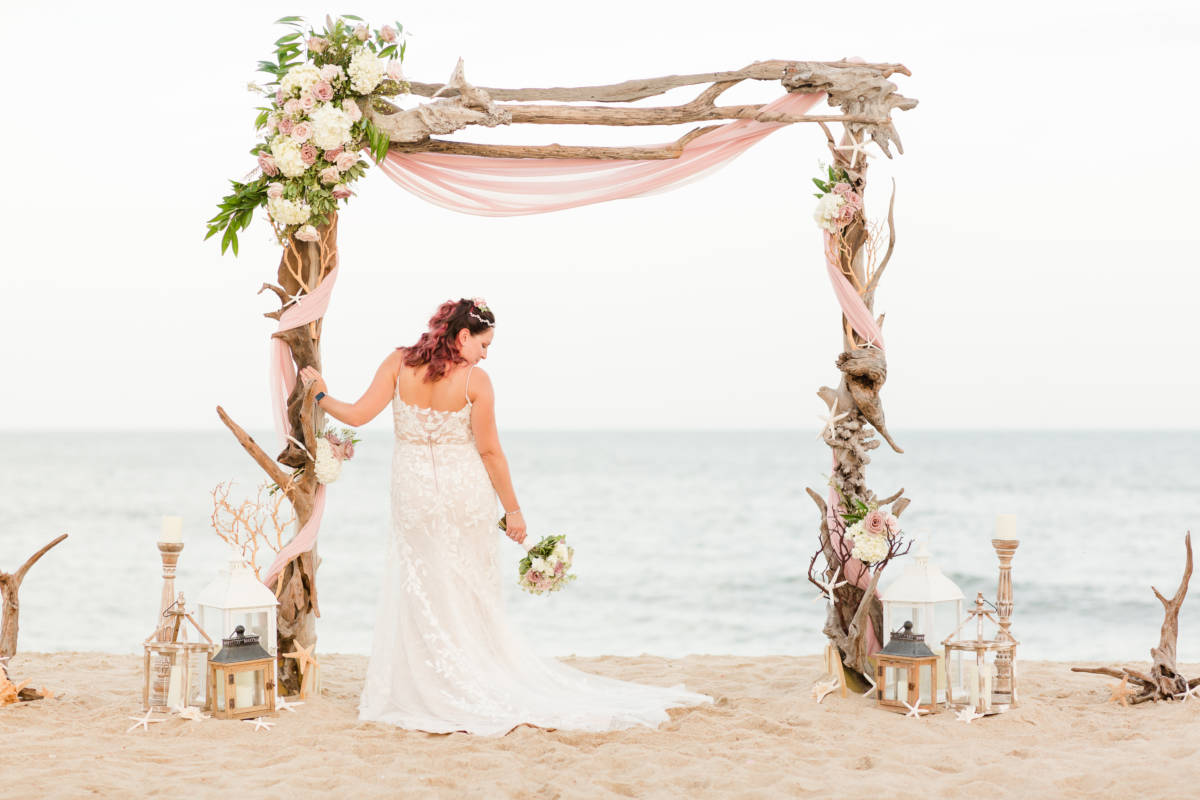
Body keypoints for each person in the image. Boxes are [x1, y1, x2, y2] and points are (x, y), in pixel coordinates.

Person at [300, 297, 712, 736]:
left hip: (412, 492)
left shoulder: (399, 363)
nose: (486, 353)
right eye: (484, 343)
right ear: (462, 336)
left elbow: (359, 414)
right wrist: (513, 511)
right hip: (464, 494)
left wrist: (321, 394)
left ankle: (428, 681)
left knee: (421, 584)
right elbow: (491, 451)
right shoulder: (476, 380)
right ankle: (467, 674)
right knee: (467, 588)